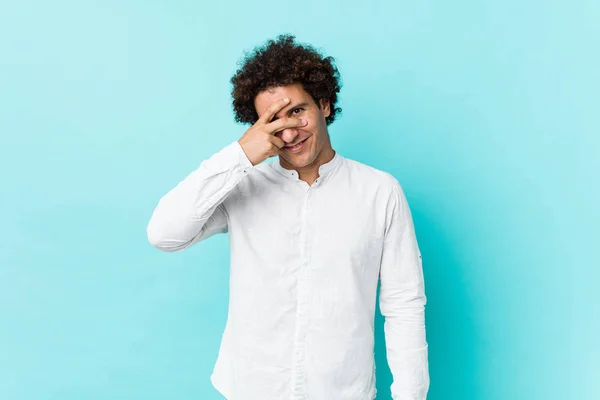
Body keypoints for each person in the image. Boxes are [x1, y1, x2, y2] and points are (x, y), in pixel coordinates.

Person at [147, 34, 429, 400]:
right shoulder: (241, 184)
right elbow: (164, 234)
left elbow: (404, 304)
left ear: (324, 104)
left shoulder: (380, 192)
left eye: (297, 110)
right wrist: (241, 155)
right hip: (249, 389)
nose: (290, 132)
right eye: (273, 120)